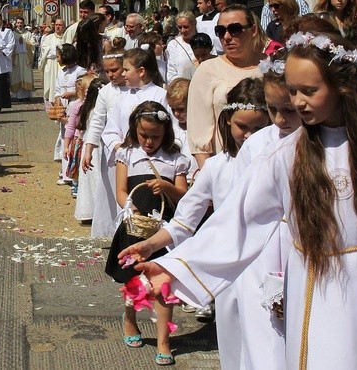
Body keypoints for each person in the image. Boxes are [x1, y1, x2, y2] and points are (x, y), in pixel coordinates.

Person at [132, 31, 357, 369]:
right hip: (312, 285)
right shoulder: (286, 154)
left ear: (341, 88)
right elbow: (238, 221)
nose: (299, 101)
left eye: (310, 91)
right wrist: (175, 267)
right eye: (293, 91)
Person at [119, 78, 271, 368]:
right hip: (229, 269)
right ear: (227, 121)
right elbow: (184, 222)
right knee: (236, 344)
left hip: (271, 266)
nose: (250, 136)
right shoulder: (215, 168)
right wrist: (150, 245)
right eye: (242, 126)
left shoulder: (282, 161)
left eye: (259, 128)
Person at [104, 101, 190, 367]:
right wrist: (131, 210)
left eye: (156, 136)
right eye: (144, 135)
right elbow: (120, 191)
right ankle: (130, 318)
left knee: (163, 284)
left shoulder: (176, 160)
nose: (149, 141)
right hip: (134, 226)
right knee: (134, 280)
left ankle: (164, 340)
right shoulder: (127, 155)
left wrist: (167, 187)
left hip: (164, 229)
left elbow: (185, 198)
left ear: (166, 134)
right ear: (134, 130)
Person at [187, 4, 266, 168]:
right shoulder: (207, 70)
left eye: (235, 29)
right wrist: (213, 178)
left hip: (268, 164)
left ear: (253, 30)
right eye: (220, 31)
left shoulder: (271, 67)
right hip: (227, 167)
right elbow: (199, 134)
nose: (227, 36)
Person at [82, 47, 129, 238]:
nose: (110, 75)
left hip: (135, 146)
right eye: (107, 71)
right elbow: (97, 121)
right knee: (111, 189)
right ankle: (113, 230)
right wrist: (89, 148)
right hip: (111, 150)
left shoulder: (135, 88)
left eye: (114, 70)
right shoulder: (106, 92)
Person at [101, 47, 168, 167]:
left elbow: (168, 128)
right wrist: (121, 149)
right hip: (127, 159)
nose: (123, 74)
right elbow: (111, 130)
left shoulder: (161, 95)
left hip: (156, 159)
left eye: (126, 70)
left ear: (141, 71)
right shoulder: (122, 99)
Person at [71, 76, 108, 217]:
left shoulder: (88, 109)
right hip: (96, 147)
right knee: (96, 178)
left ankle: (93, 210)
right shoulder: (93, 111)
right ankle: (94, 210)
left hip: (93, 146)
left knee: (93, 179)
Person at [53, 44, 87, 185]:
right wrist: (57, 100)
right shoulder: (61, 72)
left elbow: (84, 88)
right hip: (64, 107)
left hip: (76, 105)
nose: (57, 58)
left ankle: (74, 173)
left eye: (59, 55)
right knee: (64, 137)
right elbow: (57, 89)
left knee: (74, 138)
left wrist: (72, 93)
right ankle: (65, 172)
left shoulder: (80, 71)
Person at [62, 73, 99, 198]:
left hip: (92, 140)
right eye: (87, 89)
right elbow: (71, 126)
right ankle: (75, 183)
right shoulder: (77, 105)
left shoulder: (98, 106)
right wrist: (66, 145)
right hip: (79, 139)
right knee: (76, 162)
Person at [165, 78, 198, 186]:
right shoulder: (171, 130)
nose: (176, 114)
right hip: (177, 183)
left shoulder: (202, 129)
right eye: (173, 109)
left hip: (197, 180)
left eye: (181, 109)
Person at [165, 11, 198, 84]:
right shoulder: (173, 45)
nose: (183, 30)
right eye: (180, 27)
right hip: (182, 89)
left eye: (186, 27)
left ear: (194, 24)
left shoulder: (204, 40)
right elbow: (171, 73)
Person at [39, 17, 65, 104]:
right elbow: (46, 51)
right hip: (51, 64)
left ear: (64, 26)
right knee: (51, 85)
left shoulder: (65, 38)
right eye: (56, 25)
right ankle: (52, 102)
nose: (58, 27)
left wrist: (55, 50)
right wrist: (58, 51)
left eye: (60, 25)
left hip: (62, 65)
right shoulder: (49, 38)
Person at [10, 17, 34, 101]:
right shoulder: (12, 33)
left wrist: (24, 42)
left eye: (21, 23)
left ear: (23, 23)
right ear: (16, 24)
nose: (19, 24)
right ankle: (16, 95)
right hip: (16, 58)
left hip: (26, 57)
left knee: (26, 75)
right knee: (16, 76)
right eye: (18, 23)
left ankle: (26, 96)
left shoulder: (28, 33)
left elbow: (33, 44)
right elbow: (10, 45)